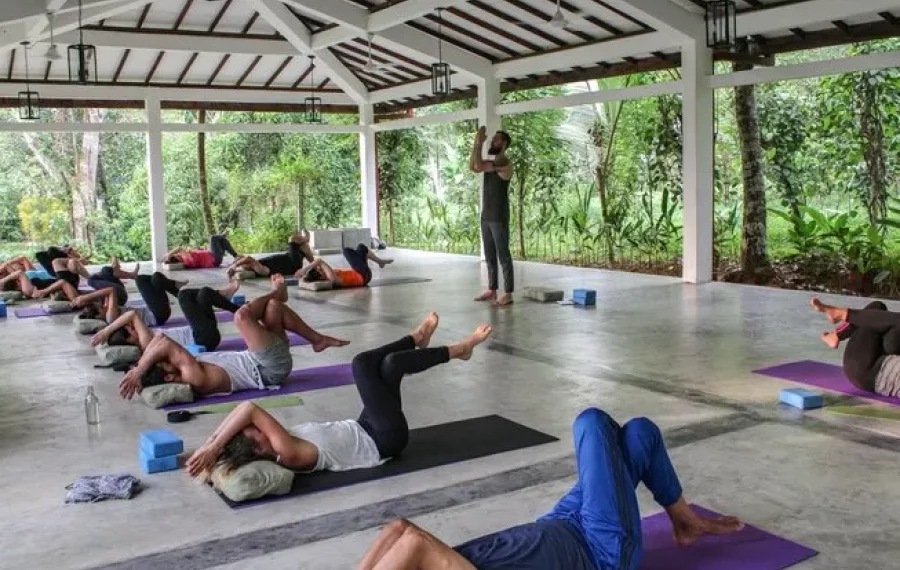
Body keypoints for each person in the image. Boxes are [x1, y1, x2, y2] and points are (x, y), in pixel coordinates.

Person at [353, 408, 744, 570]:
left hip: (561, 521)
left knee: (641, 434)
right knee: (590, 422)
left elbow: (400, 529)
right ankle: (686, 522)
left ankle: (684, 521)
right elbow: (417, 544)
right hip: (600, 549)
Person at [185, 312, 492, 478]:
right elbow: (248, 408)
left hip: (364, 426)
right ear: (260, 452)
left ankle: (417, 338)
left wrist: (212, 446)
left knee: (389, 366)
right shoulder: (286, 452)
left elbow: (243, 419)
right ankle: (457, 350)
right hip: (384, 440)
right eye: (256, 438)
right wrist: (214, 448)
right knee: (367, 364)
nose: (260, 433)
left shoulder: (275, 443)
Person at [117, 275, 348, 400]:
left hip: (261, 360)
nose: (164, 358)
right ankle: (278, 292)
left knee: (274, 308)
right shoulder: (192, 376)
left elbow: (158, 341)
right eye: (164, 363)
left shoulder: (182, 370)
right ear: (169, 378)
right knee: (242, 316)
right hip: (268, 368)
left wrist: (141, 366)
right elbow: (163, 342)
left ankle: (317, 340)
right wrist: (139, 371)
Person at [90, 279, 241, 353]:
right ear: (129, 340)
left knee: (203, 294)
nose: (132, 329)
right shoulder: (145, 343)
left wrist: (108, 330)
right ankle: (237, 310)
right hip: (202, 339)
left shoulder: (144, 337)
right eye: (129, 332)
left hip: (201, 332)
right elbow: (132, 314)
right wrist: (107, 330)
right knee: (183, 296)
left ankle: (237, 310)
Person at [811, 297, 900, 397]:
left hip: (866, 370)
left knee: (878, 310)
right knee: (877, 308)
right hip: (878, 360)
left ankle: (839, 322)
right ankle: (837, 330)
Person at [470, 126, 514, 307]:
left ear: (503, 144)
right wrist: (477, 143)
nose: (492, 141)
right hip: (486, 216)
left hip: (499, 216)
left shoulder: (505, 164)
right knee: (489, 254)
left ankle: (508, 293)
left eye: (495, 139)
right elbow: (473, 166)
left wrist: (479, 143)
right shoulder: (491, 163)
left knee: (503, 255)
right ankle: (492, 289)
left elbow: (478, 165)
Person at [297, 244, 393, 289]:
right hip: (362, 275)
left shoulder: (328, 277)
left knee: (361, 248)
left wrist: (305, 276)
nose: (320, 269)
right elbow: (319, 261)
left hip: (363, 274)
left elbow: (316, 267)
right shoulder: (331, 277)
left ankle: (380, 262)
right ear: (320, 277)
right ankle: (380, 262)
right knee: (346, 250)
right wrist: (304, 269)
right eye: (319, 271)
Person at [227, 231, 314, 279]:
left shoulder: (258, 265)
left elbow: (246, 260)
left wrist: (238, 263)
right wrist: (234, 266)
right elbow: (249, 259)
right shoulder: (261, 269)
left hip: (291, 260)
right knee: (292, 239)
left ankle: (315, 264)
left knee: (304, 247)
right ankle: (306, 239)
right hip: (292, 262)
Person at [164, 234, 239, 269]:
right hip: (215, 258)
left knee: (223, 242)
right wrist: (170, 253)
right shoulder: (186, 260)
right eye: (176, 255)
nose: (178, 254)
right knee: (213, 238)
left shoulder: (186, 258)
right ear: (178, 259)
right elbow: (179, 248)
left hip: (214, 256)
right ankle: (222, 236)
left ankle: (235, 255)